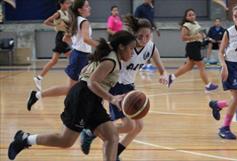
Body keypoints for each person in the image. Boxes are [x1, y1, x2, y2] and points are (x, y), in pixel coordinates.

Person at [7, 30, 137, 161]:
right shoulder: (111, 61)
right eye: (131, 49)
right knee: (65, 141)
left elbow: (84, 72)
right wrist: (112, 98)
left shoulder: (109, 52)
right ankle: (25, 139)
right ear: (121, 46)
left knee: (112, 136)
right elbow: (92, 82)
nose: (132, 52)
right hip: (83, 97)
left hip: (91, 98)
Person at [80, 15, 168, 161]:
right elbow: (106, 48)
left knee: (138, 126)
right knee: (128, 126)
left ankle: (115, 152)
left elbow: (161, 67)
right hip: (115, 86)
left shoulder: (151, 47)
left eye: (147, 36)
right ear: (134, 35)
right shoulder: (125, 45)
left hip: (130, 87)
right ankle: (92, 132)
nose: (144, 39)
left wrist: (164, 74)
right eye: (140, 36)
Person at [27, 0, 98, 111]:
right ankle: (37, 95)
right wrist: (103, 46)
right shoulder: (83, 21)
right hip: (80, 57)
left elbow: (66, 38)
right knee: (72, 88)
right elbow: (86, 39)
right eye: (87, 6)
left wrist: (76, 45)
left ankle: (83, 111)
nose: (90, 8)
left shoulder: (75, 20)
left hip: (80, 55)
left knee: (85, 86)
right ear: (80, 9)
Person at [210, 4, 237, 140]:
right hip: (230, 65)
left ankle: (217, 105)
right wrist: (224, 66)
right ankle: (224, 128)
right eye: (235, 16)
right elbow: (221, 52)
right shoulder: (229, 32)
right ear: (233, 18)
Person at [167, 9, 218, 92]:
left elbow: (199, 34)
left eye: (193, 14)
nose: (191, 16)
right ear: (186, 17)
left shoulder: (196, 23)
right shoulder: (186, 25)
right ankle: (208, 85)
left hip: (196, 46)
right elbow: (183, 38)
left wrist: (205, 37)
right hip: (192, 47)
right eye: (189, 15)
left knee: (189, 66)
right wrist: (195, 37)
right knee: (201, 66)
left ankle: (171, 77)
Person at [34, 0, 72, 91]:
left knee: (54, 61)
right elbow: (46, 22)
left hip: (64, 36)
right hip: (61, 37)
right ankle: (75, 78)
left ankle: (39, 78)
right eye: (67, 3)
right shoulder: (58, 13)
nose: (68, 5)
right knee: (72, 57)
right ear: (61, 4)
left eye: (69, 3)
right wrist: (56, 25)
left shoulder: (67, 13)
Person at [135, 0, 160, 72]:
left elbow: (151, 20)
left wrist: (156, 28)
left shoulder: (151, 8)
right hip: (142, 32)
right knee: (142, 47)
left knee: (149, 47)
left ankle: (147, 64)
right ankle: (141, 64)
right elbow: (135, 19)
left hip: (150, 31)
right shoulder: (139, 8)